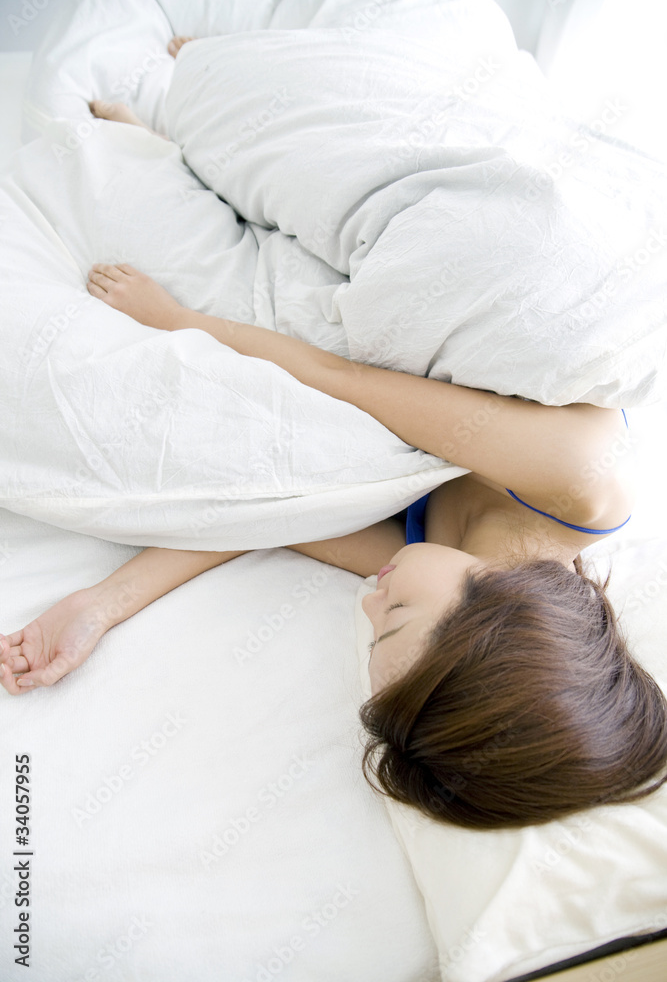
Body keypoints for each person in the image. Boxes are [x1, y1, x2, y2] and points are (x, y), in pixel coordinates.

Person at [3, 45, 666, 827]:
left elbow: (265, 511)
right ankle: (200, 112)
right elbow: (340, 378)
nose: (369, 604)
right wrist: (178, 321)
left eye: (375, 633)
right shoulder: (577, 480)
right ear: (502, 611)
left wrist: (100, 606)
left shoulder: (423, 567)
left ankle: (168, 146)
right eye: (392, 618)